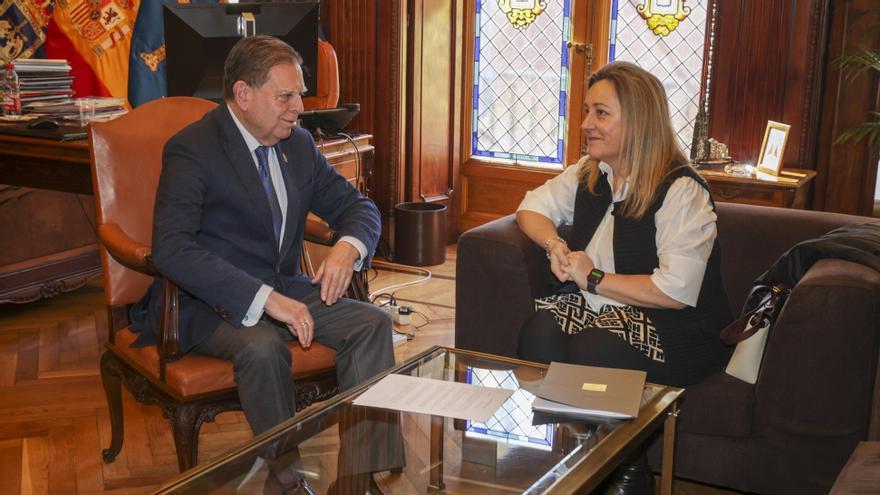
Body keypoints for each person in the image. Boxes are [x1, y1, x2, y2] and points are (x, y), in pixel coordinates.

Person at [130, 35, 395, 493]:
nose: (298, 107)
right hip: (207, 303)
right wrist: (265, 300)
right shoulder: (193, 149)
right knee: (261, 347)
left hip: (283, 286)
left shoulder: (299, 146)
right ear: (243, 95)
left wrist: (347, 248)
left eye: (299, 94)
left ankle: (359, 478)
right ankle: (286, 475)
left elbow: (360, 208)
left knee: (372, 324)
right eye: (286, 96)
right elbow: (172, 247)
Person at [516, 61, 732, 493]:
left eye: (600, 113)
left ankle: (628, 472)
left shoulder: (681, 191)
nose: (585, 124)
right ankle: (577, 456)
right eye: (586, 112)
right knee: (539, 332)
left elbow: (674, 292)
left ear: (637, 120)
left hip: (678, 326)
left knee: (596, 347)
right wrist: (555, 247)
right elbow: (530, 207)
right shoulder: (591, 173)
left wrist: (592, 276)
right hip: (604, 309)